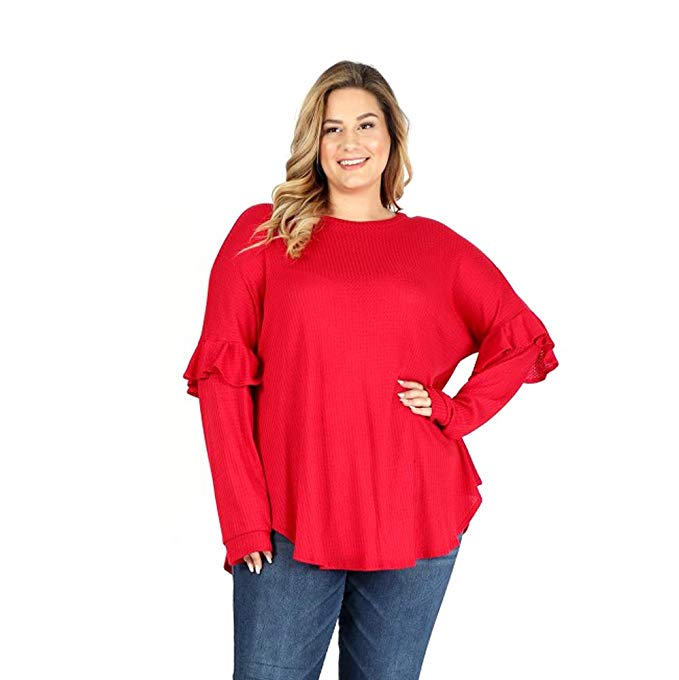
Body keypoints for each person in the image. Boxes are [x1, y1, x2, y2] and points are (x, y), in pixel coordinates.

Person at [182, 60, 558, 679]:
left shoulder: (436, 247)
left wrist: (455, 410)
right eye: (332, 129)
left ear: (390, 138)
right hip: (287, 523)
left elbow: (522, 339)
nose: (349, 142)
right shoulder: (263, 235)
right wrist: (243, 518)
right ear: (314, 141)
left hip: (414, 511)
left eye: (365, 125)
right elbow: (220, 381)